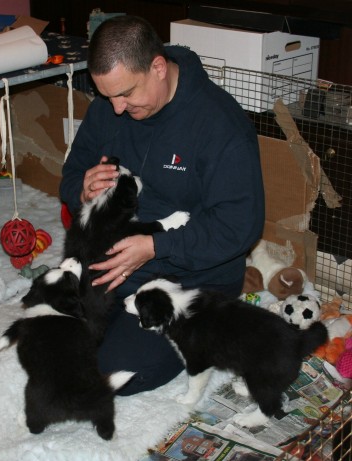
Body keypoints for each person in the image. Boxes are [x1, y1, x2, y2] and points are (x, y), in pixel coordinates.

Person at [59, 15, 265, 395]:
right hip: (117, 257)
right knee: (54, 340)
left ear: (157, 68)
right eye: (108, 96)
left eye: (126, 95)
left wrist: (156, 247)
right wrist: (83, 189)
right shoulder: (111, 103)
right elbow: (72, 172)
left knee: (117, 372)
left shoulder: (220, 125)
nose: (116, 108)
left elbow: (238, 226)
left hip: (192, 274)